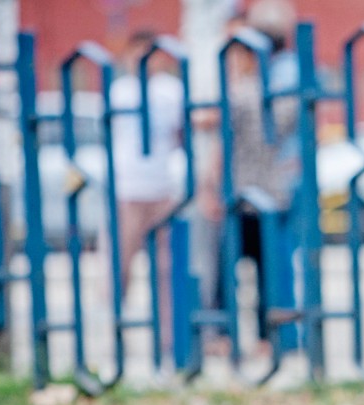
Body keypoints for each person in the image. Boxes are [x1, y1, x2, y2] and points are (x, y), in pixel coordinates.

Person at [198, 0, 299, 357]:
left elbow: (222, 146)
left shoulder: (238, 96)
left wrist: (208, 187)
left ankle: (223, 336)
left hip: (237, 192)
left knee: (227, 269)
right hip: (271, 191)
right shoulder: (282, 94)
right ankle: (269, 338)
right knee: (268, 269)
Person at [109, 30, 185, 353]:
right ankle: (115, 328)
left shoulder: (171, 91)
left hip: (162, 187)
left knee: (166, 267)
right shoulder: (120, 92)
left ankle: (168, 335)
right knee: (120, 264)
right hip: (128, 187)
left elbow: (181, 134)